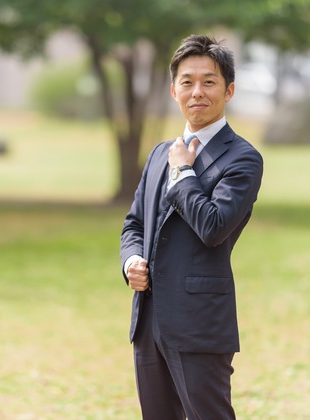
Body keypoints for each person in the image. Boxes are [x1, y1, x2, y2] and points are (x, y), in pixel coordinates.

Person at [120, 34, 263, 419]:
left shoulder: (243, 159)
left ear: (229, 90)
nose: (197, 91)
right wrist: (131, 261)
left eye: (209, 81)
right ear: (174, 90)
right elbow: (135, 224)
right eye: (187, 82)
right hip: (149, 320)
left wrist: (183, 171)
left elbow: (213, 226)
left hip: (199, 322)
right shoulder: (158, 154)